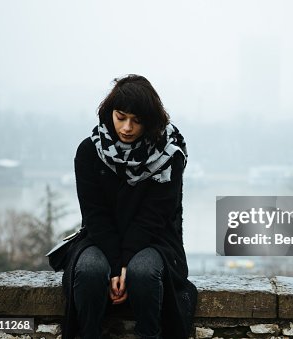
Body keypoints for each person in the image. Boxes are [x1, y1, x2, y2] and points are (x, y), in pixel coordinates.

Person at [61, 74, 198, 339]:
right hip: (100, 238)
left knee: (142, 272)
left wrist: (123, 266)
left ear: (151, 121)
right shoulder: (89, 151)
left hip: (156, 240)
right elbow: (95, 214)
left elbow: (154, 217)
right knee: (89, 271)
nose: (126, 127)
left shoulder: (169, 156)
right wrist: (114, 264)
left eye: (137, 120)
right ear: (109, 113)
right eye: (121, 116)